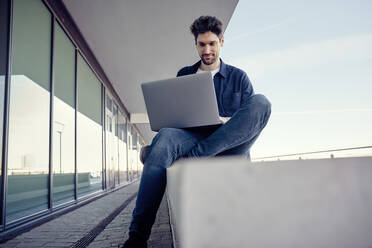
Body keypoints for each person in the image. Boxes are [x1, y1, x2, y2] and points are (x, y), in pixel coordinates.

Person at [120, 15, 271, 248]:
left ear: (222, 42)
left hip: (229, 145)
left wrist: (225, 120)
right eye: (202, 44)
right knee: (164, 138)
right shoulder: (185, 74)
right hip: (193, 137)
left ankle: (183, 158)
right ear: (196, 45)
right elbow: (177, 119)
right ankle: (137, 238)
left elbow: (248, 122)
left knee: (261, 102)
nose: (207, 49)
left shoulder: (239, 77)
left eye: (212, 43)